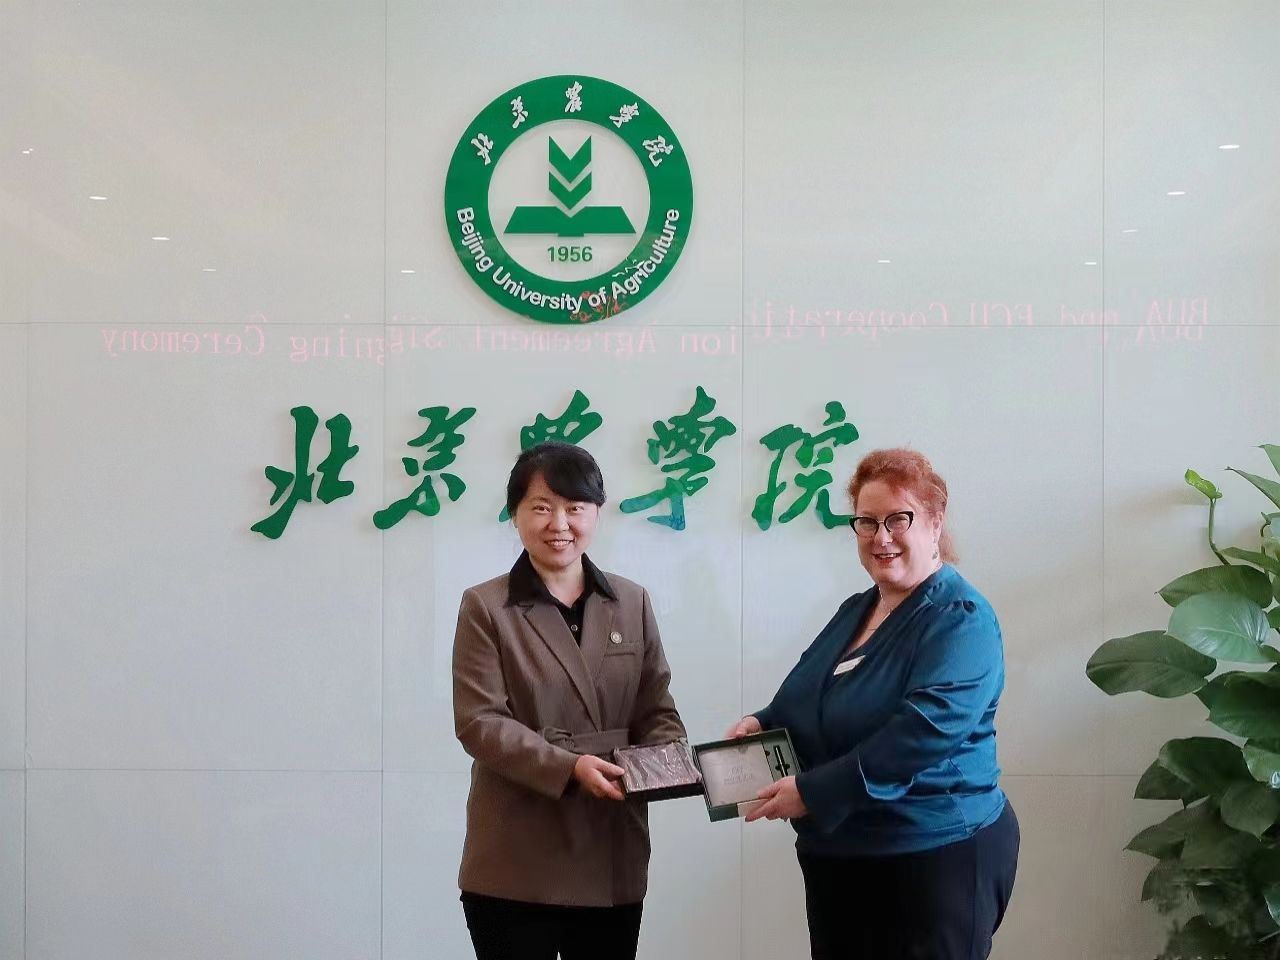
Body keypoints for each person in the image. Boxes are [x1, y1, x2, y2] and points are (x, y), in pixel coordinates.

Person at [727, 448, 1019, 959]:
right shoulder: (859, 608)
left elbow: (924, 732)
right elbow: (812, 696)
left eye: (897, 519)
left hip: (932, 856)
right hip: (842, 857)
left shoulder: (960, 617)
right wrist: (763, 723)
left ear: (935, 522)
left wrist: (813, 792)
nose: (880, 537)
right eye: (866, 522)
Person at [452, 440, 686, 960]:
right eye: (541, 507)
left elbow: (656, 707)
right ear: (515, 514)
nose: (559, 524)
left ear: (596, 513)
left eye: (575, 507)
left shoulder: (631, 601)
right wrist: (569, 767)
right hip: (517, 857)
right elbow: (479, 722)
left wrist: (670, 762)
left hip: (610, 846)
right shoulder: (485, 606)